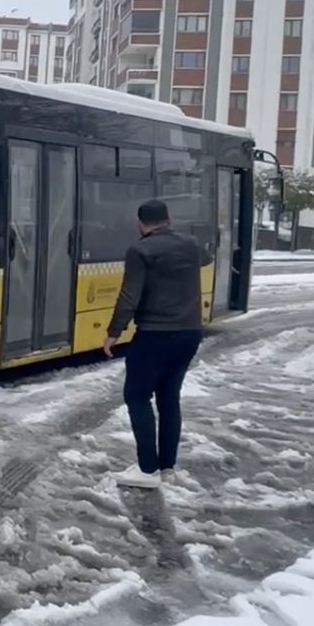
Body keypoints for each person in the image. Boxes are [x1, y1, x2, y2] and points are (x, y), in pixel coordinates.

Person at [103, 199, 211, 490]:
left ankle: (147, 469)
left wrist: (114, 332)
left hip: (154, 334)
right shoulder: (190, 245)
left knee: (137, 396)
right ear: (169, 220)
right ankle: (167, 468)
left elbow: (129, 297)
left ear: (141, 224)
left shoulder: (139, 250)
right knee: (168, 397)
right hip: (189, 333)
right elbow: (206, 258)